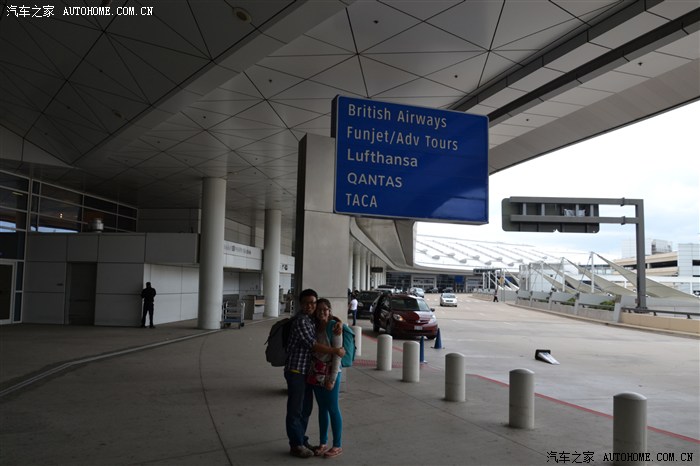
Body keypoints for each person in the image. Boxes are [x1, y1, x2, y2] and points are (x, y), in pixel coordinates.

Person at [285, 289, 345, 458]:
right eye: (307, 303)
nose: (311, 306)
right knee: (298, 410)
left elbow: (337, 358)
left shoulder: (326, 324)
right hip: (298, 371)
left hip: (319, 373)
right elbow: (312, 344)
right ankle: (298, 444)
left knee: (314, 409)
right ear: (301, 304)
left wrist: (339, 321)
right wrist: (335, 350)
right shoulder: (302, 321)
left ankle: (332, 444)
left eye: (313, 303)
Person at [308, 299, 343, 458]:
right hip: (317, 371)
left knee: (333, 409)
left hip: (330, 373)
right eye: (319, 309)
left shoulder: (334, 327)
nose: (322, 312)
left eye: (325, 309)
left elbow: (338, 355)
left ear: (329, 310)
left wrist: (332, 379)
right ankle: (323, 443)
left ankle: (337, 445)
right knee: (322, 408)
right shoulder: (315, 326)